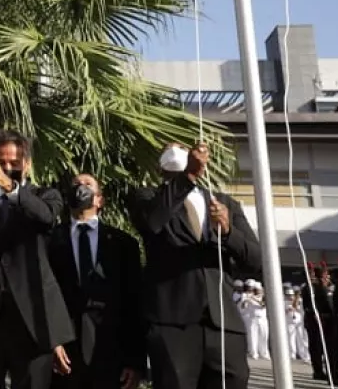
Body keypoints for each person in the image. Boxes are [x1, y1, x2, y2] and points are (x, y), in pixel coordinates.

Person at [131, 142, 261, 389]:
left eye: (180, 145)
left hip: (222, 322)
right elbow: (153, 222)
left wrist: (228, 231)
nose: (175, 149)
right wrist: (187, 176)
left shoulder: (225, 203)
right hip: (173, 323)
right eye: (168, 147)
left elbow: (255, 260)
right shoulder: (148, 198)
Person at [0, 129, 73, 388]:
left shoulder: (43, 195)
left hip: (32, 316)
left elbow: (46, 217)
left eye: (13, 163)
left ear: (26, 164)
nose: (6, 168)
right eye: (0, 162)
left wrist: (10, 186)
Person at [47, 174, 144, 389]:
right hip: (65, 352)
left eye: (88, 185)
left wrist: (135, 362)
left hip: (110, 351)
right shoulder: (50, 240)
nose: (81, 188)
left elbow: (134, 303)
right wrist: (53, 342)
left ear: (100, 200)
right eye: (76, 185)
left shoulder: (123, 244)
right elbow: (45, 294)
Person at [301, 264, 336, 381]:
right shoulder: (309, 288)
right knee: (316, 347)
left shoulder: (328, 287)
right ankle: (318, 371)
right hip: (314, 320)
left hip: (327, 321)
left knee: (327, 348)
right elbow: (310, 305)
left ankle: (328, 371)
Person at [240, 281, 268, 360]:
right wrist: (246, 300)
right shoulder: (247, 296)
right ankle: (254, 353)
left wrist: (253, 298)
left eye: (259, 289)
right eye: (256, 289)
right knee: (252, 336)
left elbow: (263, 305)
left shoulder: (264, 296)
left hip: (262, 318)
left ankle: (264, 353)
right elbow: (243, 306)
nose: (258, 291)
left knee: (264, 335)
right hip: (253, 318)